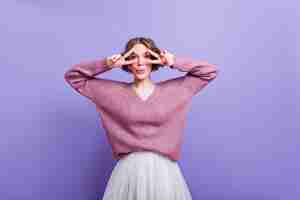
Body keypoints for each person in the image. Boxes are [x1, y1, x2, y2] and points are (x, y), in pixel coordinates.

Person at [64, 37, 218, 200]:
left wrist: (173, 61)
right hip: (128, 174)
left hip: (164, 174)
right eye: (133, 57)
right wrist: (107, 64)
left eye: (146, 55)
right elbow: (74, 76)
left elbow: (209, 72)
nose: (140, 62)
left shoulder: (174, 90)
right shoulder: (112, 93)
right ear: (127, 62)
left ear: (154, 59)